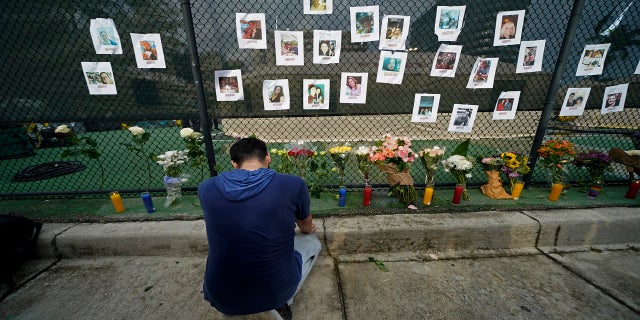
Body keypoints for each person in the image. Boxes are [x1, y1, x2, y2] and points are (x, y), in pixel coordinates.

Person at [199, 137, 321, 318]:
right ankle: (283, 301)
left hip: (220, 296)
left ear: (234, 164)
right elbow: (305, 226)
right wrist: (307, 228)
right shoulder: (293, 184)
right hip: (275, 293)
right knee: (312, 240)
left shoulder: (206, 187)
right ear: (268, 157)